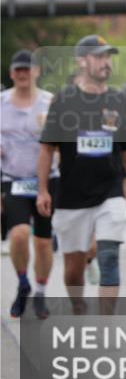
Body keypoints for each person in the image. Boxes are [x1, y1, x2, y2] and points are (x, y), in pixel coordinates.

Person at [37, 35, 126, 314]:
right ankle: (77, 301)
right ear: (81, 61)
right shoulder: (64, 100)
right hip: (71, 197)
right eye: (99, 56)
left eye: (108, 57)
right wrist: (42, 189)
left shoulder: (118, 101)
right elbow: (47, 149)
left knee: (110, 255)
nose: (105, 62)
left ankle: (107, 324)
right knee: (73, 270)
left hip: (110, 192)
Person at [1, 50, 57, 318]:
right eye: (18, 70)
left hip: (46, 181)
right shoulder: (1, 103)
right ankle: (23, 283)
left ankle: (41, 292)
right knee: (20, 234)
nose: (23, 74)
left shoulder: (50, 102)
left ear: (36, 71)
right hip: (12, 179)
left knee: (43, 243)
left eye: (27, 69)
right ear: (12, 73)